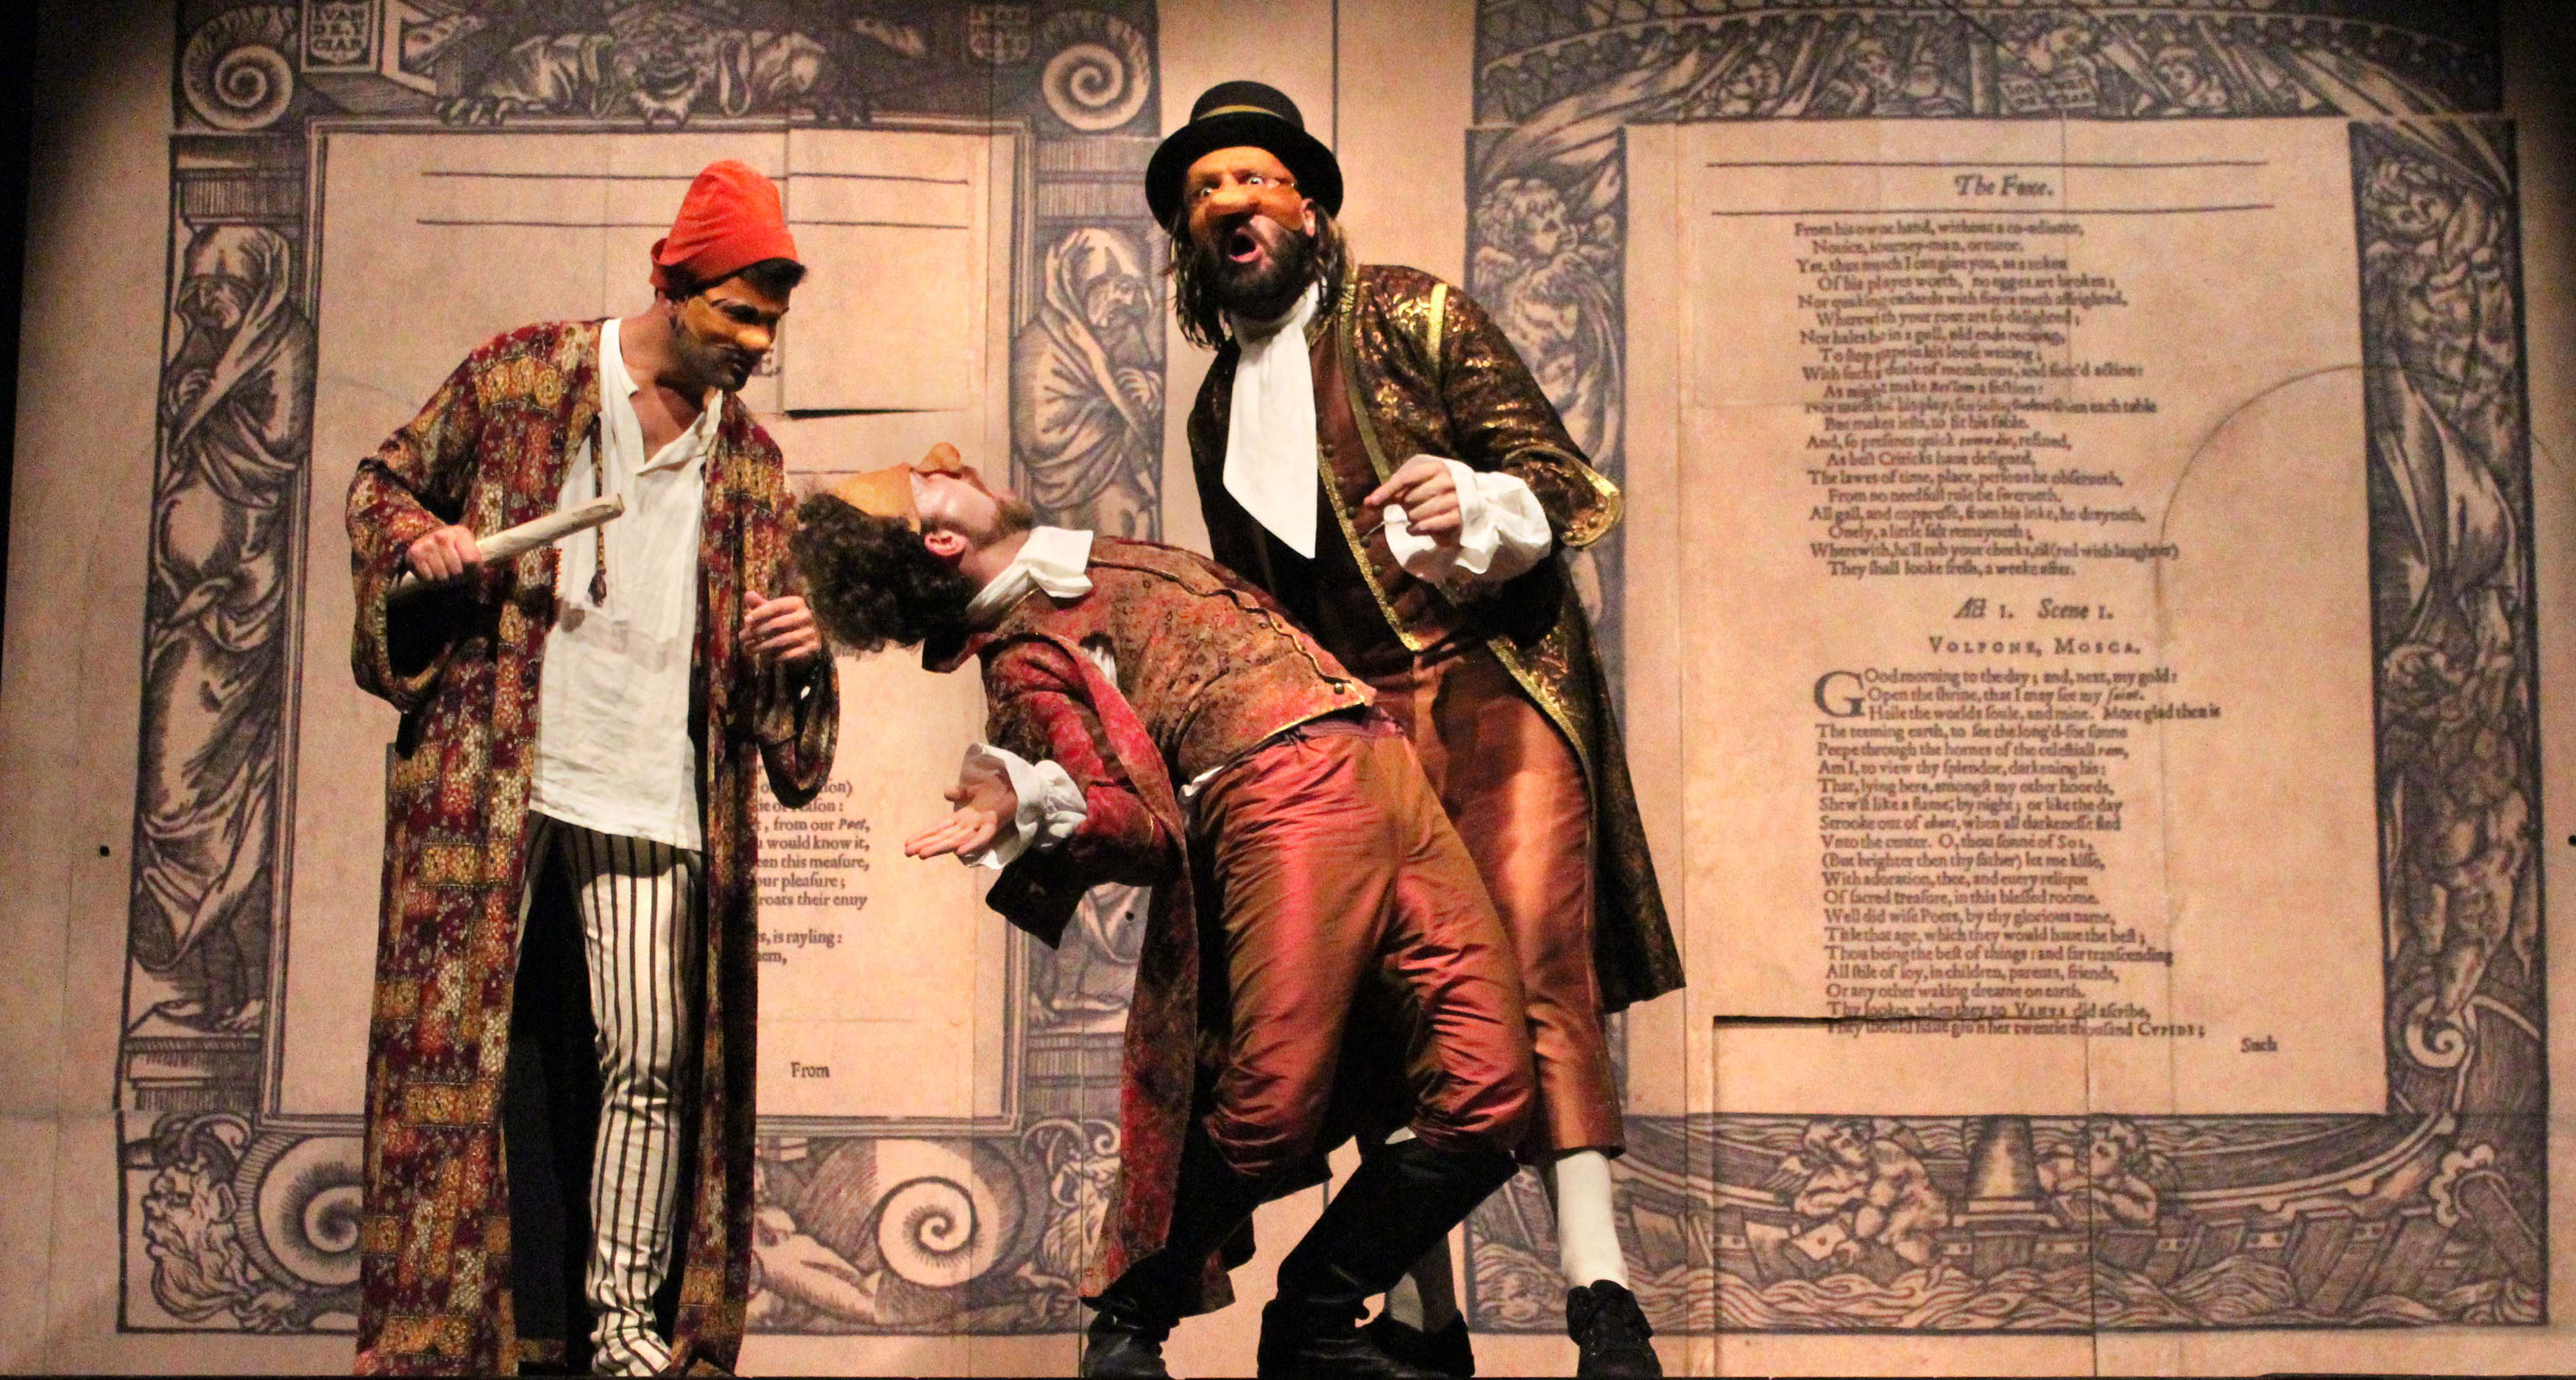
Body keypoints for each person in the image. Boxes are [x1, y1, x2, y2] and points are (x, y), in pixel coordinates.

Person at [1145, 80, 1686, 1378]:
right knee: (1392, 1007)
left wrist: (1475, 500)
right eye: (1206, 190)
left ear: (1310, 210)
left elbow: (1562, 484)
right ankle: (1425, 1320)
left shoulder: (1411, 314)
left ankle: (1602, 1295)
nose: (1230, 202)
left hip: (1493, 685)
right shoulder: (1215, 411)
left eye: (1255, 179)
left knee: (1532, 961)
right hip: (1353, 734)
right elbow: (1259, 614)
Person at [791, 449, 1535, 1379]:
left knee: (1487, 1093)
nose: (954, 465)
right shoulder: (1024, 657)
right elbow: (1132, 826)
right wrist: (1029, 805)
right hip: (1276, 791)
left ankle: (1315, 1315)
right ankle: (1129, 1321)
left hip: (1380, 763)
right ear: (940, 541)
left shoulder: (1094, 559)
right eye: (928, 481)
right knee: (1271, 1104)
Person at [344, 160, 839, 1376]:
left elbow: (779, 701)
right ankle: (438, 1336)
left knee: (651, 1061)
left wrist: (804, 651)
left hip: (656, 791)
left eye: (774, 321)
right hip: (494, 778)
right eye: (738, 314)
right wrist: (424, 542)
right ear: (672, 283)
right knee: (456, 1060)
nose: (758, 343)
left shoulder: (753, 463)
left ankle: (624, 1321)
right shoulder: (523, 377)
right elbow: (382, 486)